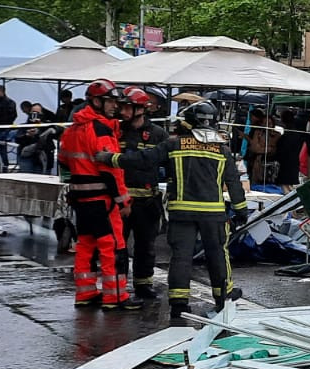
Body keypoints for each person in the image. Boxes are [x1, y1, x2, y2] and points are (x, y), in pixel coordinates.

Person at [103, 100, 247, 320]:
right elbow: (234, 183)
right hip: (213, 214)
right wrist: (241, 211)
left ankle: (179, 305)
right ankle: (223, 300)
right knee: (217, 255)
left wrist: (111, 158)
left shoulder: (174, 144)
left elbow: (143, 159)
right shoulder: (222, 149)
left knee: (181, 258)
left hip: (181, 212)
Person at [60, 79, 137, 310]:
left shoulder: (73, 128)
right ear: (96, 101)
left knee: (85, 244)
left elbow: (63, 159)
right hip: (102, 198)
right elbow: (111, 169)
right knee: (112, 246)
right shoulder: (100, 129)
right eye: (110, 102)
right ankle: (115, 296)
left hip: (80, 197)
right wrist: (123, 200)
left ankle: (86, 293)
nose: (115, 106)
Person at [117, 88, 169, 301]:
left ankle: (143, 285)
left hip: (147, 201)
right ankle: (117, 286)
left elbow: (170, 162)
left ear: (141, 109)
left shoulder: (158, 134)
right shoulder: (116, 131)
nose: (122, 111)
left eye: (127, 106)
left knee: (146, 245)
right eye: (121, 106)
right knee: (118, 246)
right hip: (121, 201)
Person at [273, 108, 305, 188]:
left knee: (285, 181)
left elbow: (282, 146)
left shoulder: (288, 133)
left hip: (287, 157)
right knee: (289, 180)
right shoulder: (296, 131)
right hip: (294, 157)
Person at [245, 108, 275, 186]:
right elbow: (255, 148)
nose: (267, 125)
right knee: (254, 180)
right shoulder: (257, 132)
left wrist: (261, 149)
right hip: (256, 161)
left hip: (270, 163)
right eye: (264, 123)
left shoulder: (276, 134)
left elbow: (273, 148)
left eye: (269, 123)